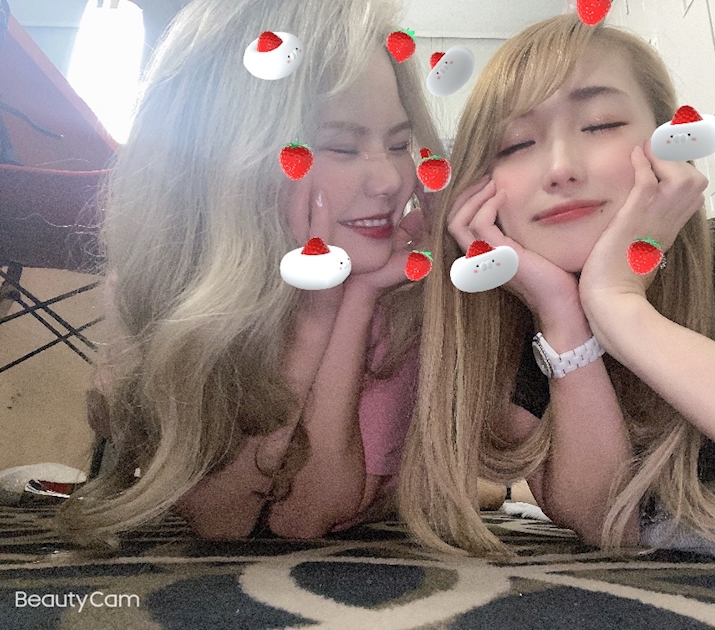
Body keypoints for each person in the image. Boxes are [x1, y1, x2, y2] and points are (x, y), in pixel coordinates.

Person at [399, 13, 715, 557]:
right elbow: (608, 523)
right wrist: (563, 316)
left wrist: (620, 306)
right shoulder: (497, 320)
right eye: (515, 145)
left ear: (667, 142)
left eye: (600, 124)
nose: (560, 168)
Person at [56, 0, 443, 548]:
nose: (389, 180)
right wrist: (315, 317)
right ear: (234, 160)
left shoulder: (402, 301)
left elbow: (305, 516)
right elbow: (222, 518)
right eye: (342, 146)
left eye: (400, 144)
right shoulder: (163, 294)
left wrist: (353, 301)